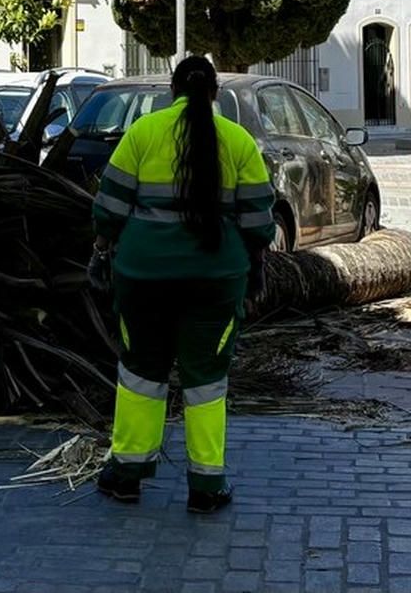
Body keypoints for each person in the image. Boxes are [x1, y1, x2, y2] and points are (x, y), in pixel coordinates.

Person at [89, 56, 276, 513]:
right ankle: (206, 487)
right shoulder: (237, 141)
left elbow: (107, 210)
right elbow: (259, 224)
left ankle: (126, 476)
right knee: (207, 382)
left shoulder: (142, 133)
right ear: (215, 93)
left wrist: (104, 250)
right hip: (214, 283)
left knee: (140, 375)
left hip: (143, 279)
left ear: (172, 91)